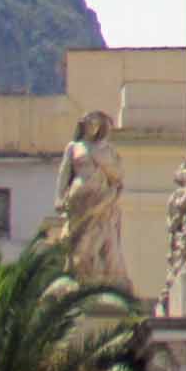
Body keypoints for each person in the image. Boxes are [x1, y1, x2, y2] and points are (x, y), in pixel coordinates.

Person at [54, 108, 128, 287]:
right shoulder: (74, 147)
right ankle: (79, 273)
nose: (92, 126)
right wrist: (58, 197)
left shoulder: (107, 149)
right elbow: (64, 173)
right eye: (89, 122)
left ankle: (97, 273)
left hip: (101, 200)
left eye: (95, 123)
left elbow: (118, 175)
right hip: (79, 200)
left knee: (99, 235)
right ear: (83, 125)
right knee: (77, 238)